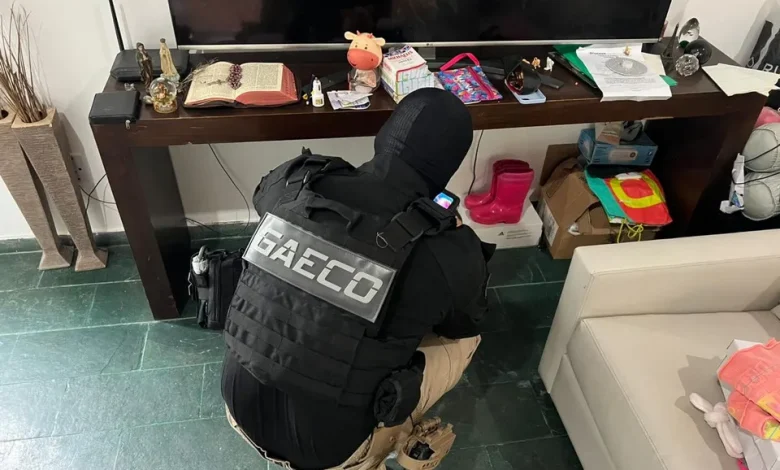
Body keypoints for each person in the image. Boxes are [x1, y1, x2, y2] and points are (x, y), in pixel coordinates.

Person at [221, 88, 493, 470]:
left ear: (384, 135)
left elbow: (261, 195)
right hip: (332, 452)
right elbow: (465, 323)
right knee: (464, 337)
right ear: (449, 167)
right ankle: (391, 448)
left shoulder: (295, 180)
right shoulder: (446, 248)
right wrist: (454, 257)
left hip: (238, 404)